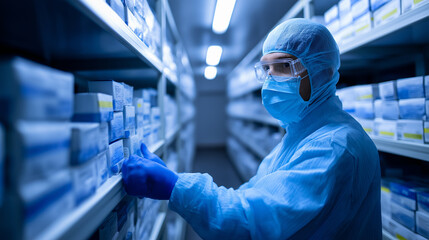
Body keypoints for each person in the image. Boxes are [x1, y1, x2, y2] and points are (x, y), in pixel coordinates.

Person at [122, 18, 381, 239]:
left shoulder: (337, 147)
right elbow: (254, 194)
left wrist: (176, 186)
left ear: (322, 72)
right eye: (266, 69)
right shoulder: (299, 135)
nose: (269, 81)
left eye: (282, 67)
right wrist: (174, 178)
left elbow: (252, 221)